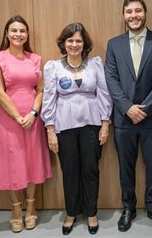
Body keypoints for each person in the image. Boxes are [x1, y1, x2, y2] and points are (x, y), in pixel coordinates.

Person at [104, 0, 152, 232]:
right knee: (126, 166)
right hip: (123, 119)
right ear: (124, 15)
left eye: (138, 11)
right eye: (129, 11)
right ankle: (128, 208)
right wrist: (127, 108)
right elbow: (110, 78)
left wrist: (146, 108)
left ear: (145, 13)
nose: (134, 15)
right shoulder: (114, 44)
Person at [41, 22, 112, 235]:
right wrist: (50, 129)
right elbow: (48, 98)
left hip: (92, 124)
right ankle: (71, 212)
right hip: (64, 126)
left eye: (78, 41)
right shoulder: (53, 67)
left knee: (91, 169)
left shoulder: (95, 64)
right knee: (69, 170)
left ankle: (91, 212)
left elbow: (104, 93)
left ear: (84, 44)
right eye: (70, 40)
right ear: (63, 43)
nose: (74, 44)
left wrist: (105, 123)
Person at [0, 15, 53, 233]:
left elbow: (41, 89)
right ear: (6, 33)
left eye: (22, 31)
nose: (18, 34)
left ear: (27, 35)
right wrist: (17, 117)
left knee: (32, 160)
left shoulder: (35, 59)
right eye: (13, 30)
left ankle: (31, 207)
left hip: (33, 118)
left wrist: (34, 113)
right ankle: (16, 209)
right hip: (8, 119)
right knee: (12, 163)